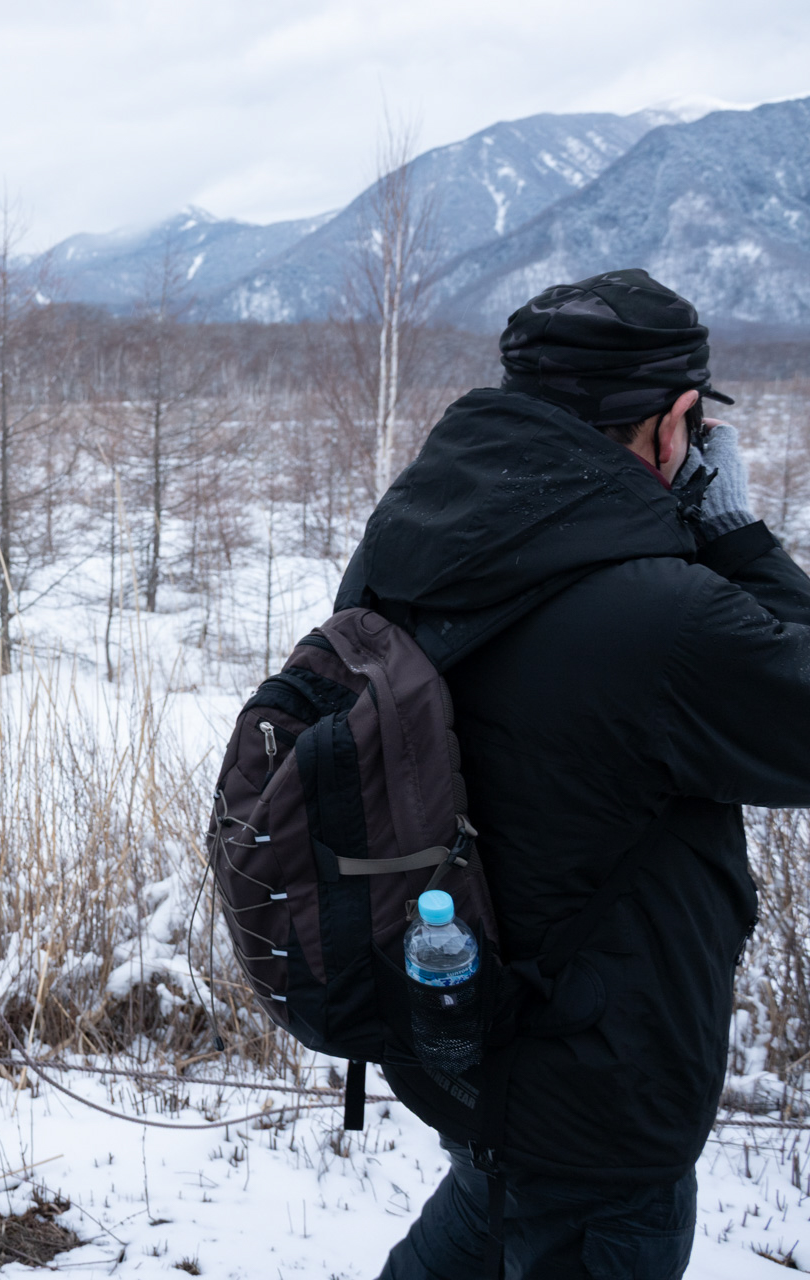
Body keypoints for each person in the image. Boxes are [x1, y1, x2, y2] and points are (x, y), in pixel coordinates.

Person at [338, 268, 810, 1278]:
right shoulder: (667, 615)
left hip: (461, 1047)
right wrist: (737, 535)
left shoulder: (413, 537)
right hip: (604, 1107)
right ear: (677, 417)